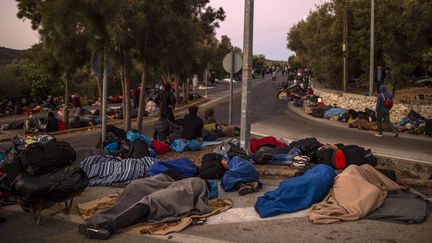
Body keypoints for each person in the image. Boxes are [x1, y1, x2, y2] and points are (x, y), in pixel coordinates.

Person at [78, 173, 211, 240]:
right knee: (136, 189)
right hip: (172, 189)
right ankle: (97, 221)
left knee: (151, 201)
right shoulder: (185, 180)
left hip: (177, 194)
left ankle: (108, 227)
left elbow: (186, 193)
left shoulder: (198, 183)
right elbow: (167, 183)